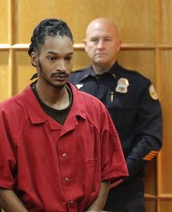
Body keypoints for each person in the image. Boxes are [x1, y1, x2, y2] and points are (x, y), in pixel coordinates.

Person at [0, 18, 128, 212]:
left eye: (68, 58)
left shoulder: (95, 110)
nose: (62, 67)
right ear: (34, 58)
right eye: (53, 58)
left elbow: (108, 172)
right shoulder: (7, 114)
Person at [69, 17, 163, 212]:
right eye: (94, 40)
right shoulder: (69, 86)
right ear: (85, 45)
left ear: (118, 45)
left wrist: (121, 172)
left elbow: (151, 138)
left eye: (107, 40)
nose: (100, 46)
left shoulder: (138, 86)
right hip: (77, 192)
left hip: (124, 195)